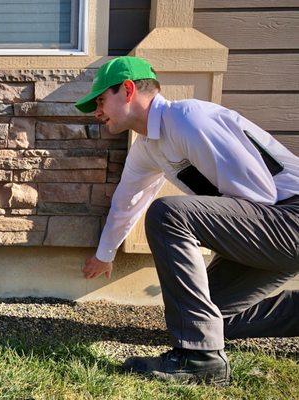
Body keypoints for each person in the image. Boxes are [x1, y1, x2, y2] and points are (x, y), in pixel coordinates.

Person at [75, 56, 299, 384]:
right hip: (271, 230)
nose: (97, 112)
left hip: (289, 218)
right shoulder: (148, 147)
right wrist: (103, 254)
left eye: (100, 100)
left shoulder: (189, 118)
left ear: (127, 90)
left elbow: (260, 196)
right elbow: (128, 201)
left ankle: (200, 360)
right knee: (208, 318)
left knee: (169, 215)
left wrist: (230, 243)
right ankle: (208, 343)